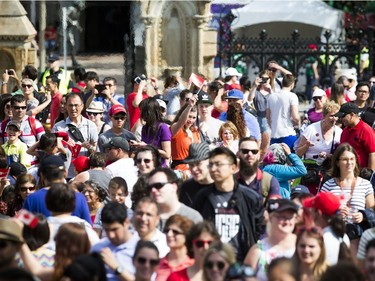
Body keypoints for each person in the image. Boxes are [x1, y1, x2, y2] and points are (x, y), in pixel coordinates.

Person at [192, 147, 265, 261]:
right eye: (210, 165)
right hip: (212, 262)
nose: (213, 169)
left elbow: (259, 230)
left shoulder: (250, 197)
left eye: (218, 164)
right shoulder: (202, 197)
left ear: (233, 167)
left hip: (241, 261)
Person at [320, 143, 375, 257]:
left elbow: (372, 210)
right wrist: (335, 210)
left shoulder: (365, 184)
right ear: (337, 162)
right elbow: (319, 211)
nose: (349, 163)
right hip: (334, 234)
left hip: (357, 235)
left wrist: (363, 215)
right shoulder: (328, 185)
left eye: (352, 159)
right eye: (345, 159)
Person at [23, 155, 92, 225]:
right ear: (65, 173)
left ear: (42, 175)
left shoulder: (31, 199)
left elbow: (25, 228)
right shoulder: (80, 198)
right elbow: (88, 227)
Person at [244, 199, 298, 281]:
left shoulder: (301, 244)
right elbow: (245, 277)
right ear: (271, 217)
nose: (287, 221)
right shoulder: (258, 249)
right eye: (282, 217)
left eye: (290, 217)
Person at [20, 222, 91, 281]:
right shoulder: (91, 268)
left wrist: (20, 238)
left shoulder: (67, 274)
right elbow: (37, 271)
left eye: (56, 239)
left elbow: (37, 271)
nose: (54, 241)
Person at [52, 93, 98, 178]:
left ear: (82, 106)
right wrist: (67, 147)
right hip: (65, 173)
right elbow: (52, 150)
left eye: (76, 105)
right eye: (70, 105)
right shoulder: (58, 127)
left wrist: (89, 147)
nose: (73, 108)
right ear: (66, 107)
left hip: (85, 173)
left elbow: (96, 150)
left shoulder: (90, 125)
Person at [91, 202, 139, 281]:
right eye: (107, 230)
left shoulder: (141, 249)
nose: (111, 235)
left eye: (115, 229)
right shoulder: (97, 248)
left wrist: (116, 267)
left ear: (126, 222)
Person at [45, 183, 100, 250]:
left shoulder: (39, 226)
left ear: (47, 203)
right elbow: (97, 250)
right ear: (74, 203)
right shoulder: (84, 227)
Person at [303, 192, 351, 265]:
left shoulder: (321, 240)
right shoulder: (344, 236)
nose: (311, 213)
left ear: (318, 213)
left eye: (312, 209)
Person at [237, 137, 281, 204]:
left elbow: (274, 210)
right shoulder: (229, 180)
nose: (250, 154)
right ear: (238, 154)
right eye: (245, 151)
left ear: (258, 155)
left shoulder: (270, 181)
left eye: (254, 151)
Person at [336, 102, 375, 169]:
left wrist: (370, 175)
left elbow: (372, 153)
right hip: (346, 171)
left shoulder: (366, 130)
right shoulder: (345, 130)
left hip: (361, 173)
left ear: (352, 115)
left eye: (343, 116)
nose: (341, 119)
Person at [156, 215, 194, 281]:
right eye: (167, 230)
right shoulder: (156, 264)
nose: (169, 234)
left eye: (175, 232)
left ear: (186, 235)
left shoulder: (193, 266)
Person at [266, 74, 299, 149]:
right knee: (289, 157)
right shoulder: (292, 96)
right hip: (288, 132)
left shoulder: (271, 97)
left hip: (274, 134)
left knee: (275, 158)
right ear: (292, 84)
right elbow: (295, 117)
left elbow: (268, 117)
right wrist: (297, 124)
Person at [104, 137, 138, 208]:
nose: (107, 151)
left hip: (120, 208)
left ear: (119, 151)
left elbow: (107, 193)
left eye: (109, 149)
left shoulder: (110, 169)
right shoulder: (138, 164)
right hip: (137, 206)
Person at [138, 97, 172, 166]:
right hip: (146, 166)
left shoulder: (163, 127)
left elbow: (167, 154)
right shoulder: (145, 127)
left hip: (159, 168)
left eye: (142, 110)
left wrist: (147, 146)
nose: (140, 113)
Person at [179, 142, 214, 207]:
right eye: (191, 165)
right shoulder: (186, 187)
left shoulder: (221, 186)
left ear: (210, 162)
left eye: (198, 164)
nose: (194, 169)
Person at [170, 96, 200, 171]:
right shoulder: (176, 129)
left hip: (193, 170)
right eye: (189, 117)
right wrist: (189, 106)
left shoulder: (195, 132)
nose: (191, 120)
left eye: (194, 117)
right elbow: (181, 121)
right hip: (179, 170)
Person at [248, 70, 273, 156]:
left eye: (267, 78)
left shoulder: (271, 91)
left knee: (266, 143)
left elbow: (276, 103)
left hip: (268, 119)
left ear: (270, 79)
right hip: (257, 117)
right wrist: (254, 86)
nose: (265, 80)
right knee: (257, 142)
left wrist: (271, 91)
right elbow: (250, 99)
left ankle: (262, 161)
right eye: (263, 78)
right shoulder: (257, 91)